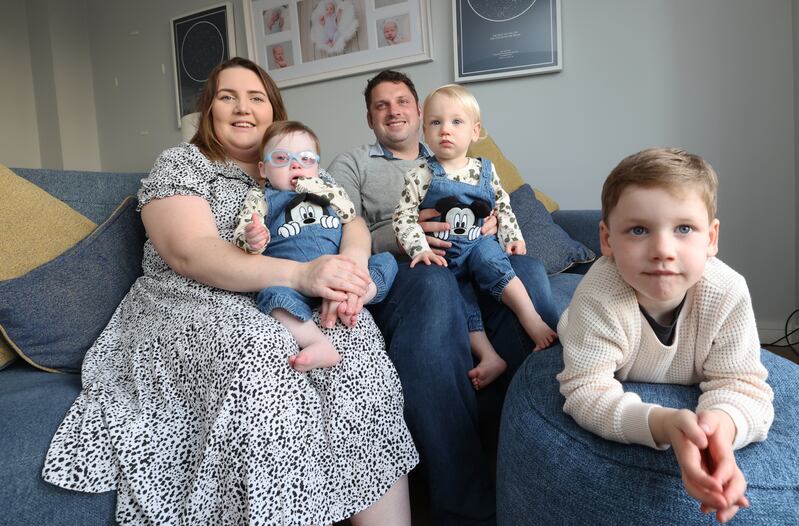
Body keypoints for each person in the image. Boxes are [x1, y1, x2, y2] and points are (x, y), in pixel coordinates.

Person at [41, 57, 417, 525]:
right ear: (208, 110)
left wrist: (351, 268)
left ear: (272, 109)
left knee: (357, 344)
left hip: (276, 300)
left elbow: (352, 222)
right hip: (187, 301)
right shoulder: (182, 164)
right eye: (227, 97)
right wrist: (300, 276)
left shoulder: (292, 164)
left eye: (256, 97)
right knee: (264, 350)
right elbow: (189, 253)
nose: (243, 108)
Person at [327, 69, 558, 525]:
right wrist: (406, 237)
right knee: (435, 285)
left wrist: (492, 227)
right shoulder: (353, 164)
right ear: (370, 119)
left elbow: (500, 204)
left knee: (527, 271)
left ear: (419, 111)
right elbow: (338, 234)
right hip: (411, 268)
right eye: (380, 105)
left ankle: (544, 470)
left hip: (472, 256)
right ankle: (463, 505)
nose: (393, 110)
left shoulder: (468, 159)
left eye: (402, 102)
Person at [556, 147, 774, 524]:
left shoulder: (727, 291)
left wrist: (716, 432)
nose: (662, 251)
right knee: (556, 314)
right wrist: (661, 423)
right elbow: (586, 389)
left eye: (684, 229)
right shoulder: (599, 295)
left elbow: (742, 385)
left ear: (711, 237)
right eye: (638, 230)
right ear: (607, 240)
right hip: (583, 324)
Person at [393, 84, 557, 390]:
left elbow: (503, 205)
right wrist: (418, 249)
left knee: (492, 261)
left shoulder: (484, 169)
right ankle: (488, 356)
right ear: (424, 132)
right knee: (459, 300)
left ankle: (530, 317)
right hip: (446, 255)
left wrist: (511, 237)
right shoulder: (420, 175)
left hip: (479, 244)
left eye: (456, 122)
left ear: (475, 131)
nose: (445, 130)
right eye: (435, 122)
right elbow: (403, 217)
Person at [233, 120, 397, 372]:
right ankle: (316, 342)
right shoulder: (261, 197)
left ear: (317, 167)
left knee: (386, 261)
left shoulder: (327, 189)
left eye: (306, 158)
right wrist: (253, 237)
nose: (295, 165)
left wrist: (317, 187)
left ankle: (355, 297)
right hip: (291, 280)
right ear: (263, 169)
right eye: (281, 158)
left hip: (339, 274)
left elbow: (349, 214)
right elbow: (244, 234)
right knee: (271, 296)